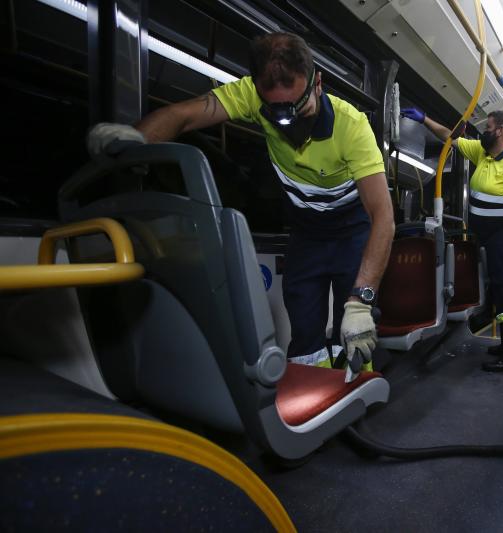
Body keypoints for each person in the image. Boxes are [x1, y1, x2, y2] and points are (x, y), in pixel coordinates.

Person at [87, 32, 395, 376]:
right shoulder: (250, 96)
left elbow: (382, 215)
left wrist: (362, 299)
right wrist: (139, 139)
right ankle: (317, 406)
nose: (289, 121)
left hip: (352, 233)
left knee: (352, 329)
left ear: (317, 82)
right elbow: (184, 115)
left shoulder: (352, 128)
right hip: (307, 236)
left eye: (298, 106)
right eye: (277, 112)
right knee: (304, 334)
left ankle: (361, 392)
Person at [402, 108, 503, 371]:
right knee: (497, 287)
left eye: (487, 128)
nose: (483, 132)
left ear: (500, 130)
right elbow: (449, 138)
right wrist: (425, 119)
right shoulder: (483, 153)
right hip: (487, 236)